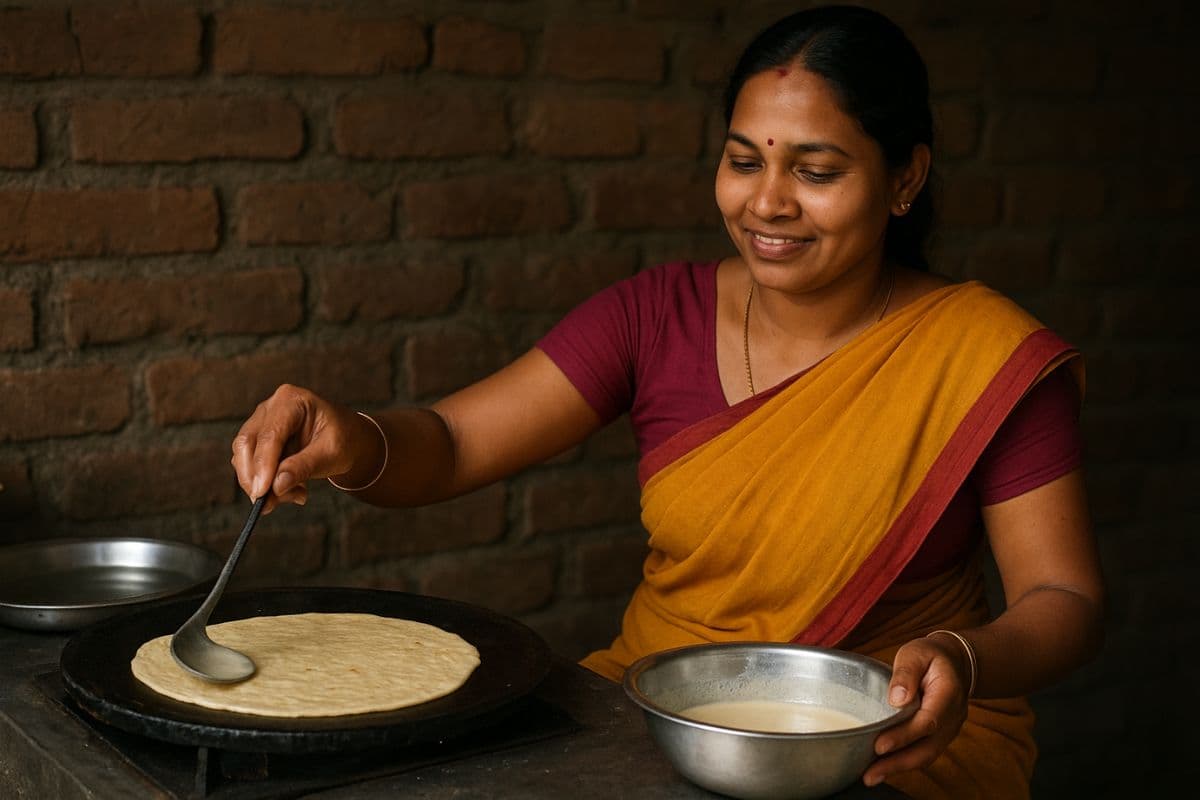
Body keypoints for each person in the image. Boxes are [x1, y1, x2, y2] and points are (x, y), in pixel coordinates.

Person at [230, 6, 1104, 798]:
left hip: (889, 740)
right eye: (743, 160)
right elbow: (455, 443)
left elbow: (1061, 594)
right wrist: (351, 438)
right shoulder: (655, 316)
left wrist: (963, 659)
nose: (767, 201)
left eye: (817, 169)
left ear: (905, 177)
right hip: (655, 707)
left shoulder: (982, 355)